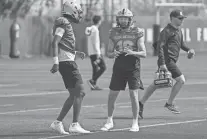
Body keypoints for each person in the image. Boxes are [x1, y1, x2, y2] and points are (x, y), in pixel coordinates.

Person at [139, 9, 195, 119]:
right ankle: (169, 103)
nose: (182, 20)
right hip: (167, 61)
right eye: (180, 18)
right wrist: (162, 63)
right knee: (181, 80)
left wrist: (189, 50)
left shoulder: (179, 31)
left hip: (170, 61)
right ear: (172, 18)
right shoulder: (166, 31)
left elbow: (181, 44)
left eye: (182, 18)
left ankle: (140, 103)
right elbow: (159, 48)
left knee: (157, 83)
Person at [100, 8, 146, 132]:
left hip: (133, 66)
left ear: (130, 19)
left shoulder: (137, 31)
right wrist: (112, 53)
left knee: (133, 95)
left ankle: (135, 123)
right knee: (112, 95)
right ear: (118, 19)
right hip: (119, 65)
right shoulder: (113, 32)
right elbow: (108, 52)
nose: (123, 20)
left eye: (125, 18)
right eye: (121, 18)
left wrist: (132, 52)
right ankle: (109, 121)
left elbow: (144, 53)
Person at [50, 1, 90, 134]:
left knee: (74, 95)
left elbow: (62, 44)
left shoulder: (66, 24)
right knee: (80, 92)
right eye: (78, 12)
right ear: (72, 11)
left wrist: (75, 53)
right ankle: (74, 124)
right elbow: (55, 42)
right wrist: (55, 61)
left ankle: (57, 123)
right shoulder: (63, 23)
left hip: (67, 61)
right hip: (66, 63)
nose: (79, 15)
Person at [85, 15, 106, 90]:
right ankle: (92, 80)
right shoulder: (95, 30)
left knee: (95, 68)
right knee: (103, 67)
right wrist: (98, 53)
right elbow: (95, 42)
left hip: (91, 52)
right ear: (99, 21)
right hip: (95, 52)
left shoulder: (90, 29)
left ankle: (93, 85)